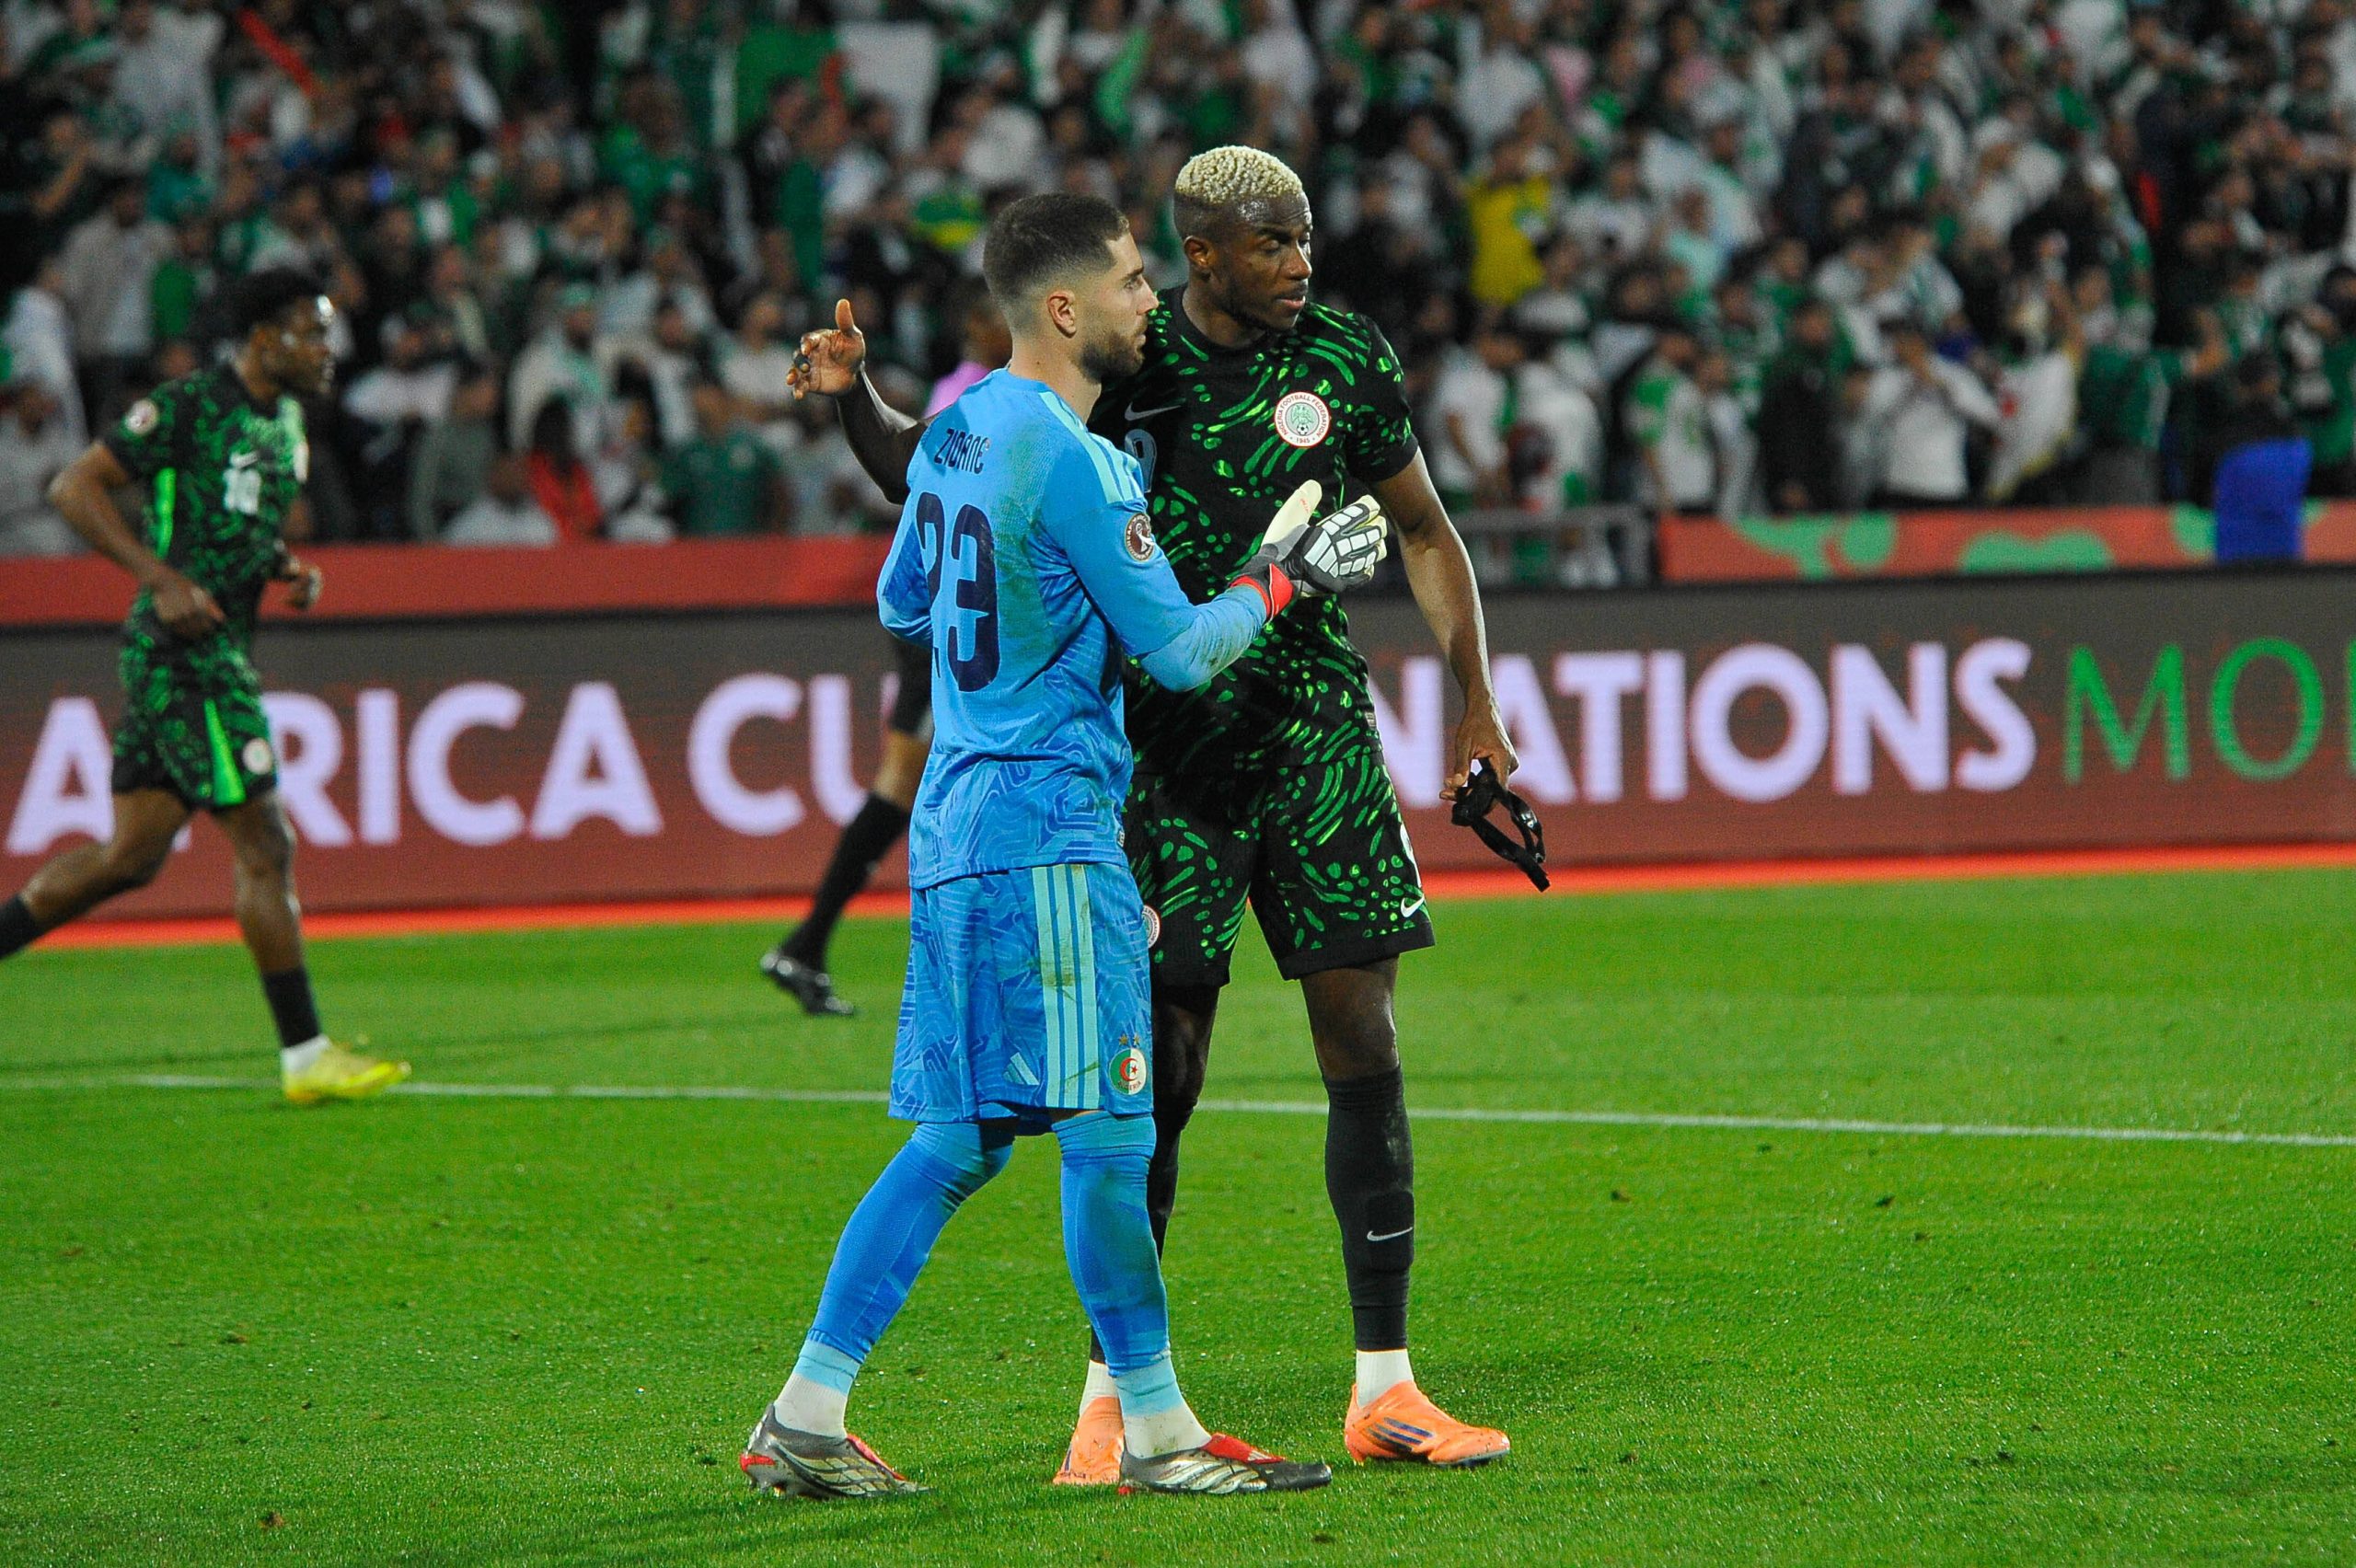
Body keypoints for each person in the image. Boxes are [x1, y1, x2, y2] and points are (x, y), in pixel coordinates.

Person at [795, 144, 1519, 1482]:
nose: (1303, 260)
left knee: (1352, 1040)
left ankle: (1382, 1389)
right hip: (1142, 761)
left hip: (1296, 739)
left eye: (1307, 236)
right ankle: (1123, 1411)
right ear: (1194, 259)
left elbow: (1421, 527)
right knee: (1145, 1084)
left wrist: (1478, 706)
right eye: (1274, 240)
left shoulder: (1341, 360)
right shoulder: (1113, 393)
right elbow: (1007, 507)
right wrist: (1276, 580)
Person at [0, 267, 410, 1105]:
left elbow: (234, 523)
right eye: (312, 331)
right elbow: (72, 487)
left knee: (129, 859)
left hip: (215, 646)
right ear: (263, 339)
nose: (328, 348)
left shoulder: (287, 421)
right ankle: (305, 1057)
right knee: (266, 843)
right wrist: (158, 577)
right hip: (187, 655)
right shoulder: (189, 406)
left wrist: (281, 564)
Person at [756, 286, 1012, 1015]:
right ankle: (943, 969)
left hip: (946, 617)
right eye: (991, 316)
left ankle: (807, 944)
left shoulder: (976, 389)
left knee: (902, 785)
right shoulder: (977, 392)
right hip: (955, 623)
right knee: (935, 786)